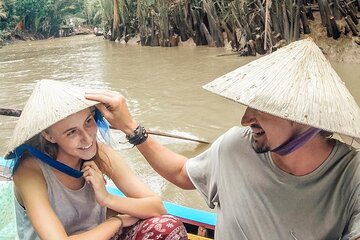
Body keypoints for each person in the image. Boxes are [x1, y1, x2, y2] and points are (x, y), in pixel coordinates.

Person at [85, 38, 360, 239]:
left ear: (305, 116)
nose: (245, 119)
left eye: (261, 109)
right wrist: (132, 128)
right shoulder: (235, 146)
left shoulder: (352, 175)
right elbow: (182, 173)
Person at [4, 80, 188, 240]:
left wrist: (107, 198)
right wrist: (117, 221)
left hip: (100, 235)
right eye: (71, 132)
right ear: (49, 136)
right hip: (98, 233)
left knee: (168, 226)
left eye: (88, 122)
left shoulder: (100, 152)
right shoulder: (29, 171)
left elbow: (156, 207)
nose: (87, 138)